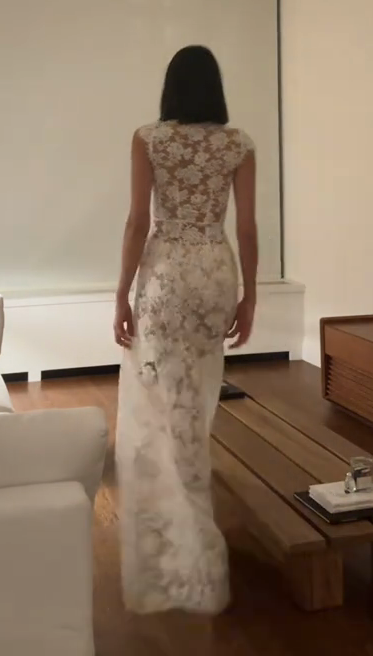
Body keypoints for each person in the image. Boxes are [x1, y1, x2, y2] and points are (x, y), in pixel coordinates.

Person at [114, 44, 258, 616]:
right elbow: (246, 227)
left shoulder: (148, 139)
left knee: (160, 396)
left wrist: (121, 293)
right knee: (197, 398)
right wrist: (251, 296)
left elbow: (136, 221)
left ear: (170, 88)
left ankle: (175, 532)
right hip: (214, 272)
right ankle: (193, 518)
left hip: (166, 272)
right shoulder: (238, 144)